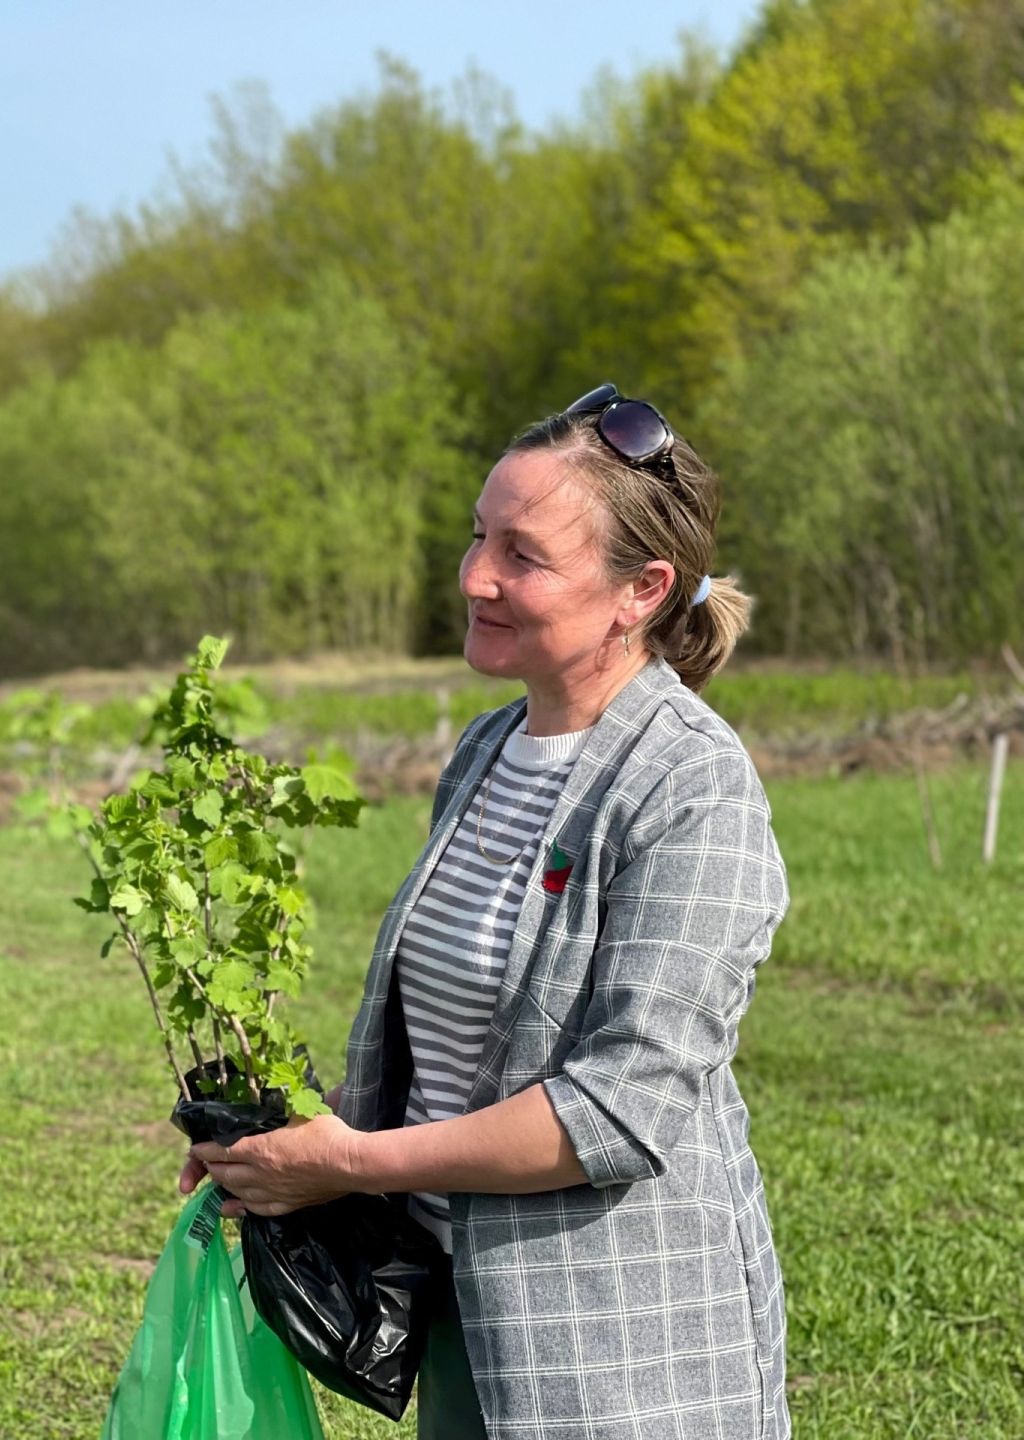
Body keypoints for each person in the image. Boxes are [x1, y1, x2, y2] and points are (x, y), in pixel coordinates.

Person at [183, 385, 791, 1438]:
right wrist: (284, 1141)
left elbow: (620, 1108)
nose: (475, 577)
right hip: (473, 1315)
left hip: (620, 1346)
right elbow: (455, 1052)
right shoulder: (485, 751)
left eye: (522, 554)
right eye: (478, 536)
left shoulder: (692, 787)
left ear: (640, 590)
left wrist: (353, 1163)